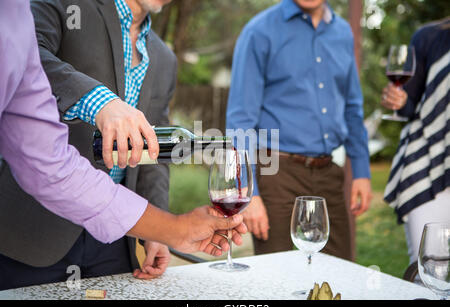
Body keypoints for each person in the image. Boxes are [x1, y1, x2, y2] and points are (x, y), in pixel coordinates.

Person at [0, 0, 247, 290]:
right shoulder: (65, 6)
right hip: (36, 230)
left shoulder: (164, 58)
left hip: (117, 236)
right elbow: (27, 54)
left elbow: (156, 157)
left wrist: (158, 230)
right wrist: (98, 99)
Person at [226, 0, 372, 260]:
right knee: (274, 277)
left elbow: (352, 106)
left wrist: (361, 170)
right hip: (277, 175)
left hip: (329, 174)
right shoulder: (259, 31)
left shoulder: (342, 33)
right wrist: (249, 193)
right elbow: (240, 121)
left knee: (339, 273)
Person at [382, 17, 450, 265]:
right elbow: (410, 104)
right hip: (430, 168)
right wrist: (398, 102)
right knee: (430, 270)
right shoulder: (430, 37)